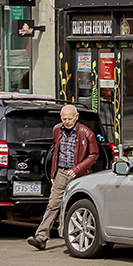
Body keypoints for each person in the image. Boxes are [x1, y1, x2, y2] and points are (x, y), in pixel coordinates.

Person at [28, 104, 98, 252]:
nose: (67, 121)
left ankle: (81, 237)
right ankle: (41, 237)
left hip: (79, 174)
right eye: (64, 118)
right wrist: (54, 173)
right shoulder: (57, 130)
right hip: (61, 172)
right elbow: (56, 152)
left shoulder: (86, 133)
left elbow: (93, 155)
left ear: (76, 117)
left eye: (70, 119)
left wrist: (77, 169)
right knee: (53, 204)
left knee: (79, 205)